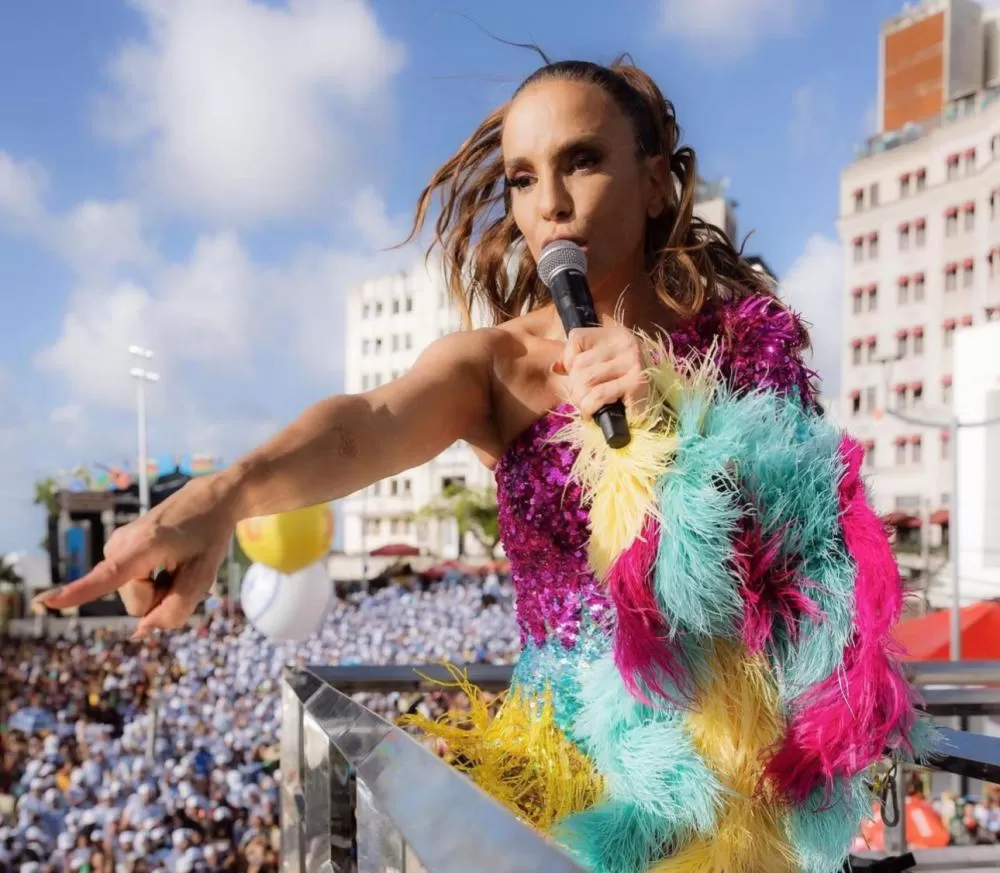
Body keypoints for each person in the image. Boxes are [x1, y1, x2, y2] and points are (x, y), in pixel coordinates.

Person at [37, 55, 936, 873]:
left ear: (657, 181)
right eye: (523, 177)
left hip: (738, 791)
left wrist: (680, 415)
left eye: (582, 161)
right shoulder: (496, 366)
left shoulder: (750, 342)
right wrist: (221, 495)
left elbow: (817, 562)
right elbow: (365, 424)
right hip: (572, 785)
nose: (550, 204)